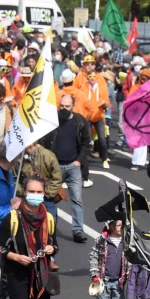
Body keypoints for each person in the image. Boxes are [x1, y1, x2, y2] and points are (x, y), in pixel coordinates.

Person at [42, 94, 92, 243]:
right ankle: (49, 229)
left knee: (77, 199)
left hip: (73, 166)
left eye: (67, 106)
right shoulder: (52, 121)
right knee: (49, 198)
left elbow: (85, 143)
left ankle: (78, 231)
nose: (63, 109)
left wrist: (79, 161)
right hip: (54, 167)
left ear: (73, 106)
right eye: (62, 106)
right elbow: (43, 142)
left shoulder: (79, 121)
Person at [90, 219, 129, 299]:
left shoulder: (126, 240)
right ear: (111, 226)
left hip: (119, 280)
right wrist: (95, 274)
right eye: (118, 225)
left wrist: (129, 270)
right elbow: (93, 257)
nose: (121, 228)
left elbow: (130, 257)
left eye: (122, 225)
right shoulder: (101, 240)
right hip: (103, 280)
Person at [74, 54, 111, 169]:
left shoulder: (100, 78)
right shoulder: (80, 78)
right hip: (86, 116)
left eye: (92, 64)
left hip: (99, 115)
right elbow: (76, 94)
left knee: (102, 139)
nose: (90, 66)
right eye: (87, 64)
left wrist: (105, 103)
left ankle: (104, 159)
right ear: (83, 65)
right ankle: (81, 159)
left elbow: (106, 96)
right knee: (86, 139)